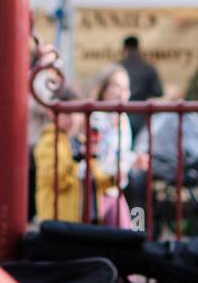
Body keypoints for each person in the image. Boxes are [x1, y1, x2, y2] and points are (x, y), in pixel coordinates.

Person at [90, 64, 150, 226]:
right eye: (117, 86)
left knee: (125, 234)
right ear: (104, 89)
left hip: (116, 190)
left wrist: (134, 160)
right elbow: (96, 157)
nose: (123, 92)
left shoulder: (123, 118)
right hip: (97, 191)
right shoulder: (95, 118)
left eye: (126, 87)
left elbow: (123, 154)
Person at [32, 86, 103, 222]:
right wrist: (78, 159)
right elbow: (57, 181)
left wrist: (112, 177)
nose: (73, 119)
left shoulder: (80, 141)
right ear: (52, 114)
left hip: (86, 216)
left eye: (76, 113)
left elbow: (96, 179)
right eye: (67, 113)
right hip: (59, 219)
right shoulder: (49, 141)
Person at [120, 35, 163, 139]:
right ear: (139, 48)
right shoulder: (148, 68)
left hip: (121, 113)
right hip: (142, 115)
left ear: (124, 48)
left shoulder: (117, 68)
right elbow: (159, 92)